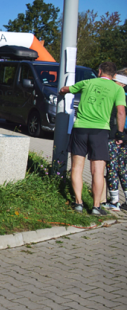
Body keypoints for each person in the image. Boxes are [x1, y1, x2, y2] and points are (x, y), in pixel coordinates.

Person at [60, 61, 126, 215]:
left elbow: (66, 89)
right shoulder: (117, 89)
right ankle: (96, 207)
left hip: (80, 129)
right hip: (100, 131)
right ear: (114, 75)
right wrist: (120, 133)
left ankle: (78, 203)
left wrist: (63, 91)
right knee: (97, 171)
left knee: (77, 167)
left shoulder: (87, 82)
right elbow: (121, 112)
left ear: (100, 71)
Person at [103, 70, 127, 211]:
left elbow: (119, 115)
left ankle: (114, 201)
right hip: (123, 137)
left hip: (115, 136)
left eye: (115, 82)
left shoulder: (118, 96)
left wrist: (119, 134)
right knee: (122, 169)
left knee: (112, 167)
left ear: (122, 84)